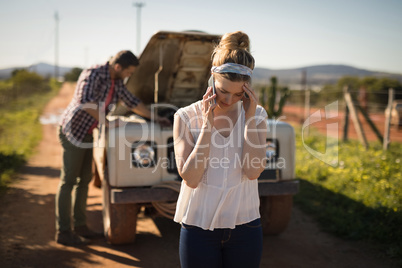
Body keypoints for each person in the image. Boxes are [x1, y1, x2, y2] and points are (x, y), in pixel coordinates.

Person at [173, 31, 268, 268]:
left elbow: (253, 172)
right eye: (223, 90)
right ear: (211, 78)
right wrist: (207, 124)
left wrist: (248, 120)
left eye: (238, 94)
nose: (228, 100)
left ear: (248, 88)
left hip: (246, 226)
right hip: (198, 226)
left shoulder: (258, 115)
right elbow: (191, 178)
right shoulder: (185, 117)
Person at [56, 50, 170, 245]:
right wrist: (107, 123)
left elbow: (131, 102)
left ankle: (81, 226)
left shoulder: (116, 81)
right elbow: (86, 103)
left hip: (88, 132)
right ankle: (64, 232)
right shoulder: (93, 74)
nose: (129, 76)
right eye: (128, 72)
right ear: (118, 67)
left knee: (84, 180)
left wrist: (156, 118)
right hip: (73, 132)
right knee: (68, 181)